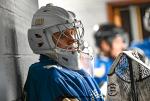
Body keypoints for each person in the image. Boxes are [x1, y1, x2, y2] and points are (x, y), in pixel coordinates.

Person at [24, 3, 104, 101]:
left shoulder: (75, 71)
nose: (73, 40)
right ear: (41, 38)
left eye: (72, 32)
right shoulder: (52, 76)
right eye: (62, 35)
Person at [93, 23, 128, 95]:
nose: (123, 46)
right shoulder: (97, 70)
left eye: (122, 41)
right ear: (105, 45)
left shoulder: (123, 61)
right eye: (117, 42)